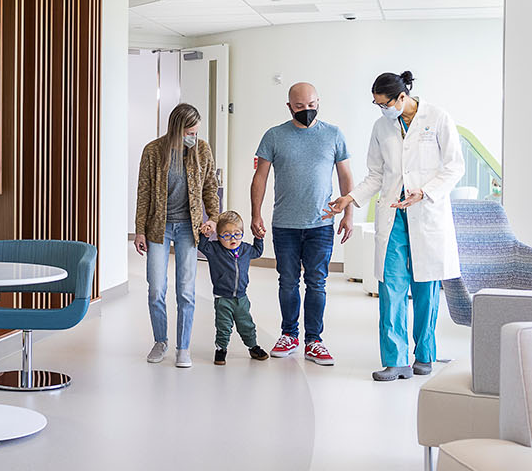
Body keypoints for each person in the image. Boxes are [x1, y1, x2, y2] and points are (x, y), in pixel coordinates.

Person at [323, 71, 465, 381]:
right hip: (393, 215)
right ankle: (395, 360)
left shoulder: (438, 118)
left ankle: (424, 354)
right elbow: (376, 174)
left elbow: (455, 167)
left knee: (425, 290)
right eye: (377, 105)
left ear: (402, 97)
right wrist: (350, 198)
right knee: (392, 288)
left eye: (384, 103)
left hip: (425, 212)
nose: (382, 110)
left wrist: (425, 192)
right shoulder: (381, 126)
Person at [251, 82, 354, 366]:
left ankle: (314, 340)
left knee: (317, 282)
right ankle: (289, 335)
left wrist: (348, 213)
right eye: (299, 107)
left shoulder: (333, 134)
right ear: (289, 107)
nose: (306, 111)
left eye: (311, 106)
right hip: (285, 225)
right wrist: (255, 213)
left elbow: (346, 176)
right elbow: (260, 177)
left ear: (318, 102)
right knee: (287, 281)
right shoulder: (274, 136)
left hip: (321, 223)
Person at [135, 103, 219, 368]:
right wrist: (139, 230)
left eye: (195, 131)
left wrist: (214, 218)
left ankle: (184, 347)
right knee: (156, 288)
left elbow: (210, 187)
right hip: (158, 228)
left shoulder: (202, 150)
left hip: (188, 229)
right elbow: (144, 192)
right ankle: (161, 341)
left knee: (186, 290)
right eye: (189, 131)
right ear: (176, 129)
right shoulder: (153, 151)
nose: (193, 136)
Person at [196, 211, 270, 365]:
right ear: (218, 236)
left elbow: (257, 252)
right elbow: (202, 246)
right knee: (223, 326)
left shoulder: (245, 249)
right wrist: (206, 234)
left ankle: (253, 346)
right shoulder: (214, 250)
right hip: (223, 299)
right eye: (226, 235)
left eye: (237, 234)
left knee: (247, 325)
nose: (233, 239)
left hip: (241, 298)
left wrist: (259, 238)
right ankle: (221, 349)